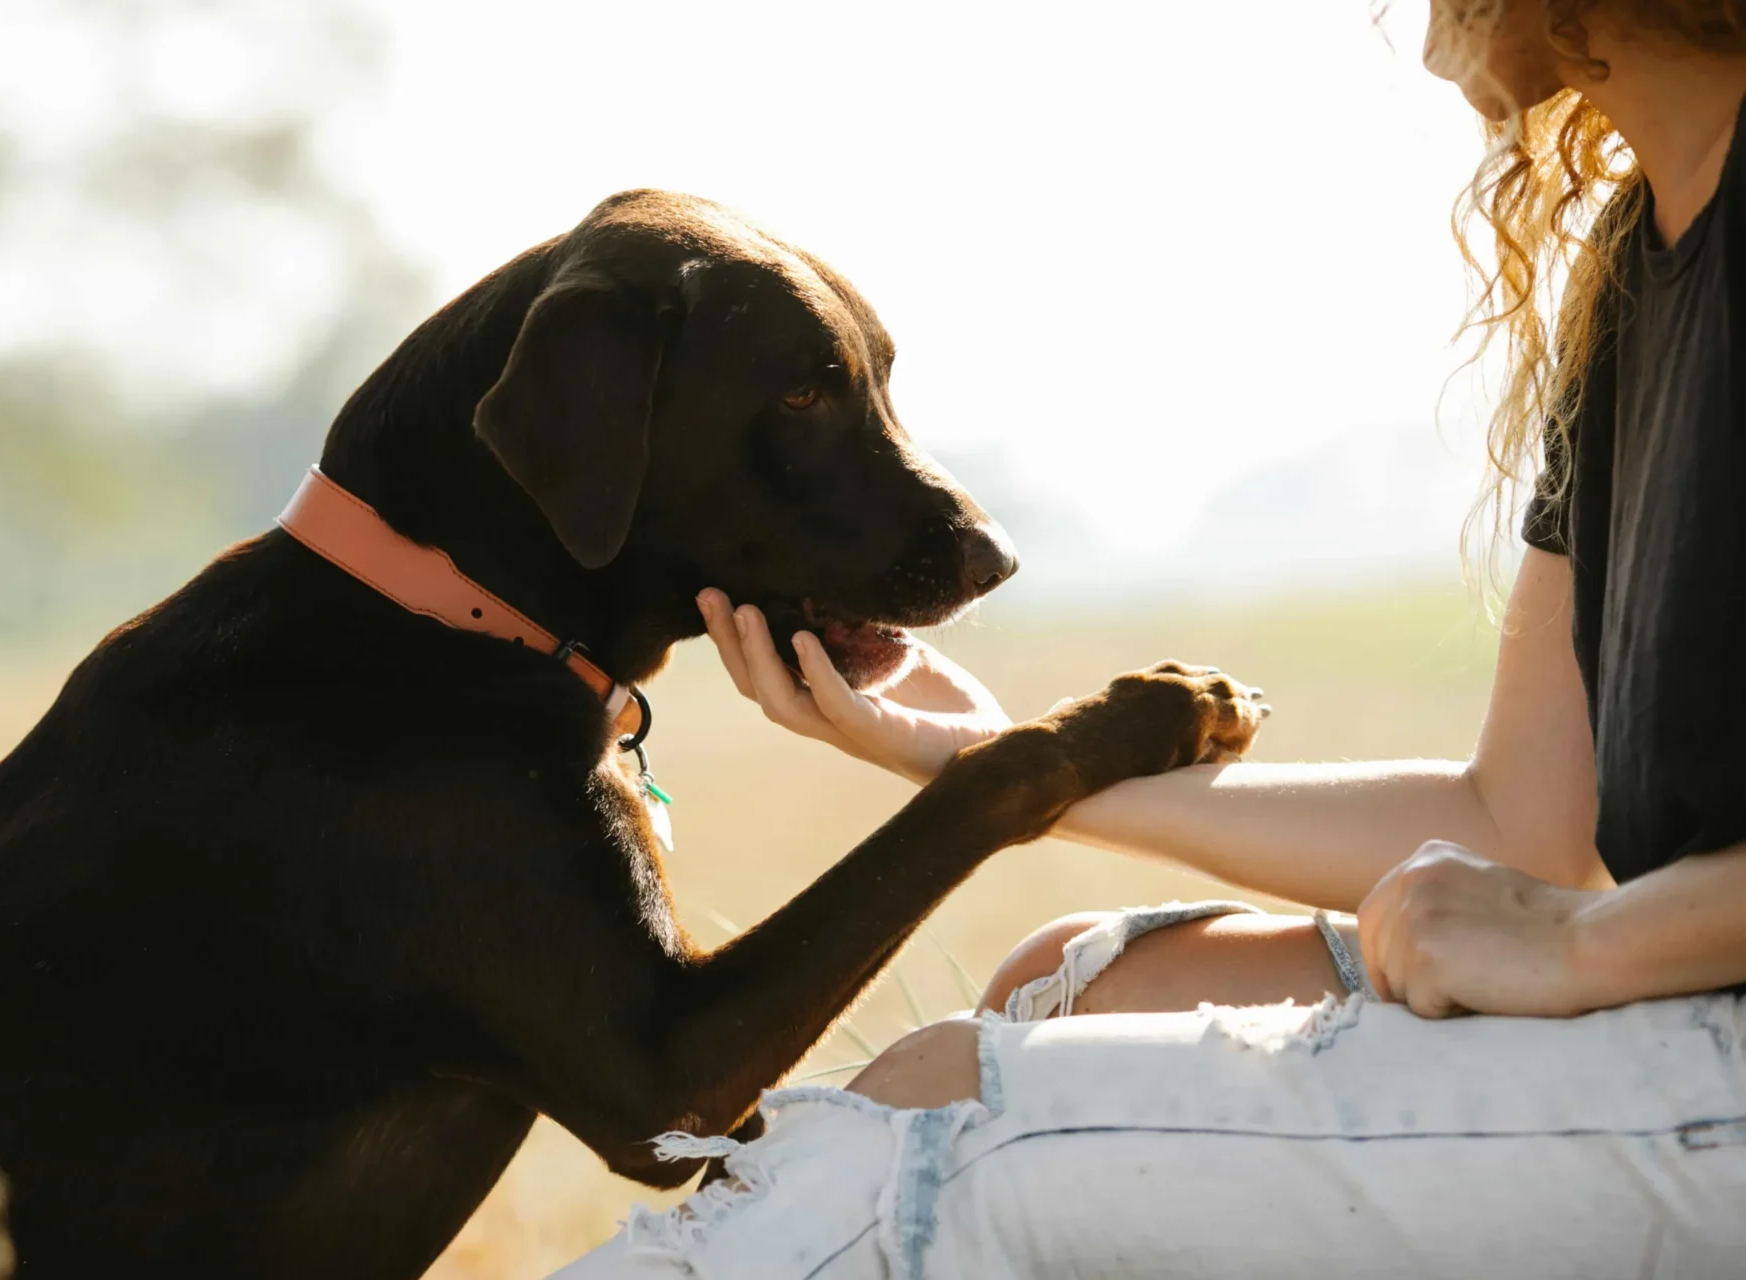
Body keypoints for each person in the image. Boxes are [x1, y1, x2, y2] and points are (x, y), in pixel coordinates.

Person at [553, 3, 1746, 1275]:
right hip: (1681, 992)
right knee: (1057, 980)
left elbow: (1552, 895)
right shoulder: (1634, 266)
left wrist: (1576, 947)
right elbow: (1522, 823)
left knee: (950, 1131)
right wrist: (1005, 765)